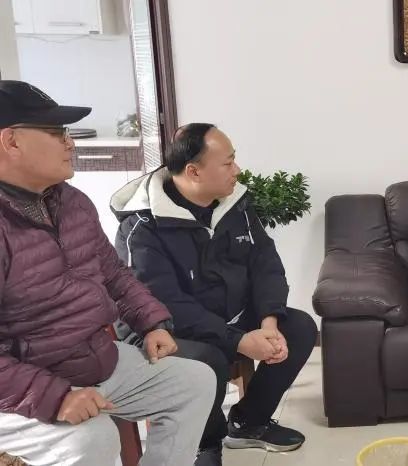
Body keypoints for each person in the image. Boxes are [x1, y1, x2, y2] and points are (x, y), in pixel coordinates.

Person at [0, 80, 215, 465]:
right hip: (17, 390)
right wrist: (54, 397)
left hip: (88, 360)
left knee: (194, 383)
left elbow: (114, 273)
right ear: (11, 142)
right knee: (91, 439)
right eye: (56, 133)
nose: (70, 144)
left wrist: (152, 323)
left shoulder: (72, 203)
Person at [111, 123, 317, 465]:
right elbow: (165, 303)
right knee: (207, 360)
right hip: (162, 330)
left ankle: (249, 422)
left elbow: (266, 264)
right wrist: (239, 340)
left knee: (298, 327)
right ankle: (204, 444)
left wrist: (268, 322)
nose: (237, 170)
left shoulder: (235, 205)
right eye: (228, 163)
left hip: (227, 315)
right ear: (194, 171)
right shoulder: (143, 226)